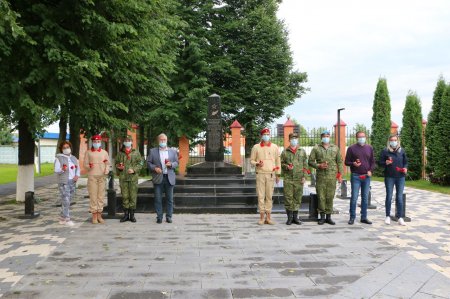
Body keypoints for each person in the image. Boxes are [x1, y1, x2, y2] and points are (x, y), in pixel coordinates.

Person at [308, 130, 343, 225]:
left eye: (327, 136)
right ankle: (322, 217)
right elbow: (310, 162)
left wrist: (340, 175)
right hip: (321, 177)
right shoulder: (316, 148)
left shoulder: (335, 148)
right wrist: (318, 165)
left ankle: (329, 217)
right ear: (321, 138)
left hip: (332, 177)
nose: (326, 137)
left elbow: (339, 162)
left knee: (330, 196)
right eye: (324, 136)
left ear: (330, 137)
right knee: (321, 196)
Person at [250, 128, 281, 225]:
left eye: (268, 134)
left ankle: (268, 217)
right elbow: (251, 160)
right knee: (261, 196)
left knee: (269, 196)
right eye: (265, 134)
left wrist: (278, 174)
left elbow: (278, 161)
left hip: (271, 174)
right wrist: (257, 163)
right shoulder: (256, 147)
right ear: (261, 136)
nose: (266, 136)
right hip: (260, 174)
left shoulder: (275, 147)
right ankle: (261, 217)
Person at [344, 131, 376, 225]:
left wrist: (371, 170)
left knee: (365, 198)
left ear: (365, 137)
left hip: (366, 176)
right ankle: (352, 217)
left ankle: (364, 217)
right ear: (356, 138)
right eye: (360, 137)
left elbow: (373, 162)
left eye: (363, 137)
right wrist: (353, 163)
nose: (362, 138)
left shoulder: (369, 148)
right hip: (356, 176)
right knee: (354, 197)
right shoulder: (351, 148)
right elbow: (346, 162)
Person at [147, 133, 179, 224]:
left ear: (167, 140)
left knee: (170, 199)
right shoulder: (152, 151)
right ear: (158, 141)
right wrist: (155, 168)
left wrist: (171, 165)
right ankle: (159, 217)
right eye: (161, 140)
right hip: (158, 177)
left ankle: (169, 216)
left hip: (169, 178)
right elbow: (148, 163)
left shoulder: (173, 151)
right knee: (158, 199)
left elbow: (177, 162)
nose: (162, 141)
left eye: (164, 140)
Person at [379, 134, 408, 226]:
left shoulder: (401, 151)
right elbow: (380, 163)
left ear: (398, 141)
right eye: (391, 140)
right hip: (389, 177)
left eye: (395, 140)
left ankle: (400, 217)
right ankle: (387, 216)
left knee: (399, 197)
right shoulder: (385, 151)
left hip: (400, 177)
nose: (393, 142)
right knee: (389, 196)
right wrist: (385, 163)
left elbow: (406, 162)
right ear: (389, 141)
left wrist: (405, 168)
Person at [280, 132, 308, 225]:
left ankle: (296, 218)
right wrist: (287, 167)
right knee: (288, 198)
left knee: (297, 198)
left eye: (295, 138)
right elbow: (281, 164)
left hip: (299, 179)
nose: (294, 140)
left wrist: (305, 176)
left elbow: (305, 165)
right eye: (292, 138)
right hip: (288, 178)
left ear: (298, 139)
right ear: (289, 140)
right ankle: (289, 218)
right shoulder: (284, 152)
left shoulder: (302, 151)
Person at [115, 135, 143, 223]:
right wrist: (119, 167)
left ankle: (132, 215)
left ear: (131, 142)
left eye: (129, 140)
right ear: (123, 142)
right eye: (125, 140)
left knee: (133, 196)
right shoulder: (120, 153)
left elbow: (141, 163)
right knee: (125, 196)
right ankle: (126, 215)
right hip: (123, 178)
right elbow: (116, 163)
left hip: (133, 178)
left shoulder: (136, 152)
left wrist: (134, 170)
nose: (127, 142)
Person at [84, 134, 110, 224]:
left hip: (102, 176)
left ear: (100, 142)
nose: (96, 143)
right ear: (92, 142)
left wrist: (106, 170)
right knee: (93, 196)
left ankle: (100, 215)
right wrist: (89, 166)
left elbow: (107, 163)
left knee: (101, 196)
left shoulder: (104, 152)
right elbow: (85, 165)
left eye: (98, 142)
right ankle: (94, 216)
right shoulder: (88, 152)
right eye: (95, 142)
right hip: (92, 176)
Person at [54, 141, 80, 226]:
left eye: (67, 147)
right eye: (64, 148)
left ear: (70, 147)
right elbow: (56, 170)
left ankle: (62, 217)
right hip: (64, 182)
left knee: (69, 200)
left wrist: (77, 175)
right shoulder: (59, 158)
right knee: (66, 200)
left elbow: (78, 168)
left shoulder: (74, 158)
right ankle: (67, 219)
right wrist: (62, 169)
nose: (66, 149)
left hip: (72, 181)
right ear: (61, 149)